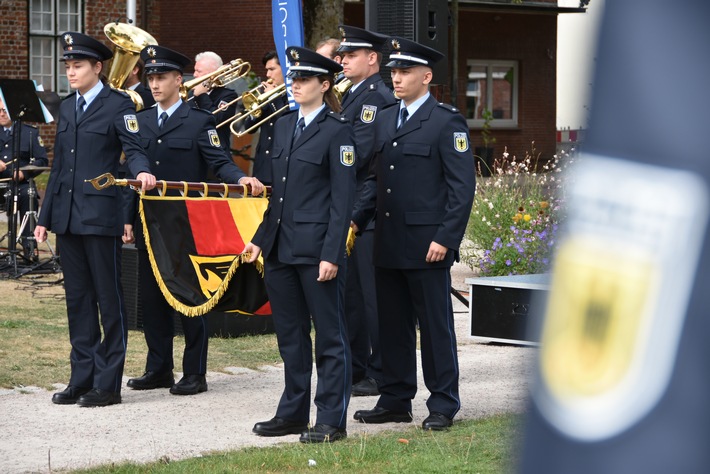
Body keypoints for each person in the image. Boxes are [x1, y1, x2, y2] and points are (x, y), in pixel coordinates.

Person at [351, 37, 475, 430]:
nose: (397, 78)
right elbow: (374, 178)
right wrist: (356, 219)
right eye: (393, 72)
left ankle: (442, 403)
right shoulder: (387, 118)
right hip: (387, 239)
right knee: (391, 326)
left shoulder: (445, 120)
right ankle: (395, 399)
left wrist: (446, 238)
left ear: (427, 76)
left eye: (405, 72)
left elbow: (461, 187)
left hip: (427, 245)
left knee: (435, 327)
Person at [126, 45, 264, 396]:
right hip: (148, 221)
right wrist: (126, 218)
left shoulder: (199, 120)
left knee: (191, 295)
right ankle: (158, 368)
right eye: (150, 78)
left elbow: (219, 161)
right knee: (153, 296)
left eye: (161, 78)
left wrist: (240, 178)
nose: (154, 84)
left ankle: (194, 372)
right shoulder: (139, 121)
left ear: (178, 80)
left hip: (186, 223)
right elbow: (131, 163)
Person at [34, 32, 156, 407]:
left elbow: (133, 150)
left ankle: (108, 383)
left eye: (78, 66)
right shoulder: (68, 107)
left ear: (97, 68)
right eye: (68, 67)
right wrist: (44, 216)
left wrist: (142, 173)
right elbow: (59, 169)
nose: (71, 72)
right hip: (69, 218)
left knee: (108, 299)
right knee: (78, 300)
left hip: (100, 215)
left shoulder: (118, 105)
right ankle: (80, 378)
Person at [243, 46, 356, 443]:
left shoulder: (337, 130)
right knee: (290, 337)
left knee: (329, 336)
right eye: (294, 79)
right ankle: (292, 413)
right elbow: (280, 195)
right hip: (280, 249)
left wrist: (332, 253)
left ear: (325, 85)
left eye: (304, 79)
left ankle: (330, 419)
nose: (296, 85)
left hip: (316, 251)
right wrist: (259, 239)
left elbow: (342, 201)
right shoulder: (286, 124)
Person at [336, 25, 397, 397]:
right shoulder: (354, 96)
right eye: (342, 55)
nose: (342, 60)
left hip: (365, 211)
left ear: (372, 59)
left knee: (372, 301)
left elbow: (360, 157)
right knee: (351, 299)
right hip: (348, 207)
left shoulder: (375, 99)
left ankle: (380, 371)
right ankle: (357, 367)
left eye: (351, 55)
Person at [0, 96, 49, 261]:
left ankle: (29, 246)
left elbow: (42, 160)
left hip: (20, 185)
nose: (1, 114)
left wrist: (24, 173)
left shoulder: (29, 132)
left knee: (28, 195)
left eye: (5, 111)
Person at [246, 50, 287, 186]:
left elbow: (287, 122)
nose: (267, 74)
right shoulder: (268, 94)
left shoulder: (295, 96)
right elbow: (248, 128)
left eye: (272, 69)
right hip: (261, 168)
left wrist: (272, 98)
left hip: (281, 168)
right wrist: (257, 106)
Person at [190, 51, 238, 153]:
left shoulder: (228, 96)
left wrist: (202, 96)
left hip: (215, 153)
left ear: (212, 74)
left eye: (198, 71)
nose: (194, 75)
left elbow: (216, 121)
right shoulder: (190, 95)